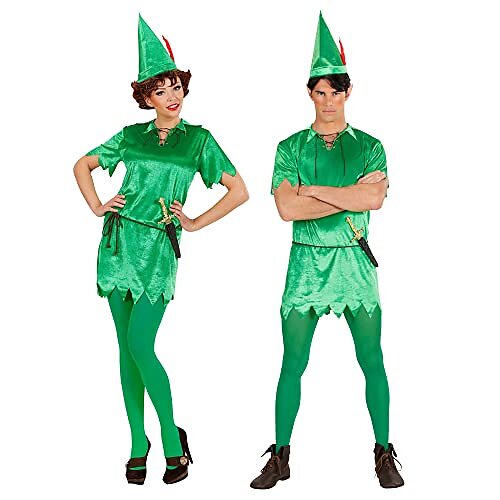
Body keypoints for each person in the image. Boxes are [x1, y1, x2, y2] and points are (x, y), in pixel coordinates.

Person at [73, 15, 248, 486]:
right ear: (146, 97)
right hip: (117, 245)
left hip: (157, 250)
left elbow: (239, 191)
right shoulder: (131, 136)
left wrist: (192, 221)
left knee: (140, 343)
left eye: (176, 87)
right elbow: (82, 165)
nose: (172, 96)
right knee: (125, 350)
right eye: (160, 90)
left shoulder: (199, 140)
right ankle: (137, 442)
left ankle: (171, 436)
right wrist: (97, 205)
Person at [250, 12, 403, 490]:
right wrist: (346, 194)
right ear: (310, 94)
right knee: (292, 363)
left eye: (336, 92)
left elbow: (373, 199)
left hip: (355, 261)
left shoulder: (371, 146)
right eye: (320, 92)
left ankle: (384, 452)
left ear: (348, 92)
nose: (328, 101)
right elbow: (286, 209)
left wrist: (312, 190)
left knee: (372, 359)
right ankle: (280, 456)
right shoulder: (289, 147)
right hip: (306, 264)